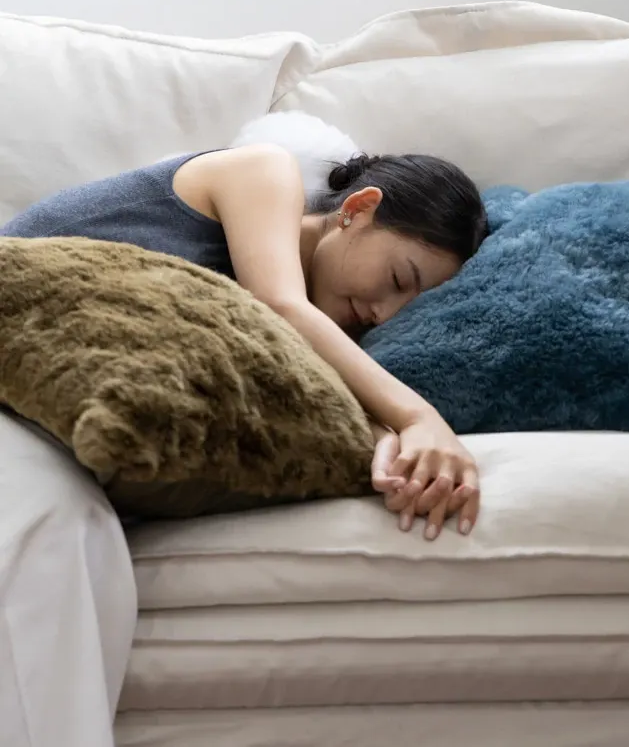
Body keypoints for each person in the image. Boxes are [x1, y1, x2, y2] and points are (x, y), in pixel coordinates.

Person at [1, 145, 489, 539]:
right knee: (55, 521)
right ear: (358, 209)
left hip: (55, 403)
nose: (383, 312)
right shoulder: (263, 170)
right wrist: (419, 418)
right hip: (17, 337)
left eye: (405, 307)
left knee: (83, 527)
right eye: (398, 279)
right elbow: (279, 305)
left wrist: (386, 445)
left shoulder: (316, 336)